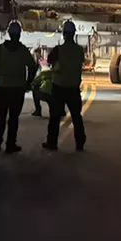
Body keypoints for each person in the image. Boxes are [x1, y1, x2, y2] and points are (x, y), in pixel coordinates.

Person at [0, 20, 38, 153]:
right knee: (13, 118)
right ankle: (10, 144)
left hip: (3, 87)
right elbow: (33, 67)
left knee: (1, 116)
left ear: (9, 33)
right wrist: (28, 83)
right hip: (17, 88)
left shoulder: (0, 49)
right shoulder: (22, 51)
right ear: (20, 34)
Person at [44, 20, 87, 151]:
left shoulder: (58, 50)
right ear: (74, 34)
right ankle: (80, 143)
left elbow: (49, 61)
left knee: (55, 117)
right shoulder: (79, 50)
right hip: (73, 88)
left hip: (59, 86)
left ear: (64, 34)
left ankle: (52, 143)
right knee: (76, 117)